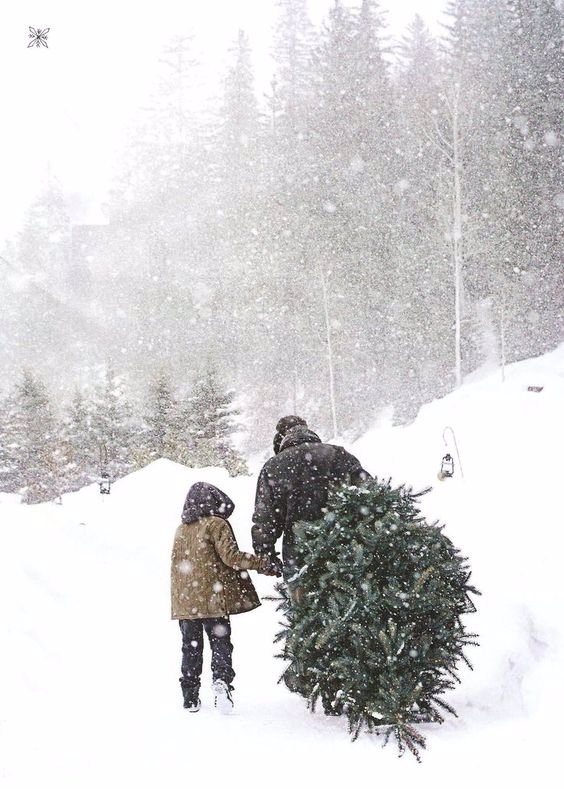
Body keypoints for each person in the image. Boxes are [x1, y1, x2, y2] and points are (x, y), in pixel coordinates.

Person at [171, 481, 274, 712]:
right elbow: (232, 557)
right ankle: (221, 681)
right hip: (212, 599)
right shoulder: (216, 524)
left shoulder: (181, 529)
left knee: (190, 647)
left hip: (186, 601)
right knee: (220, 643)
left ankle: (189, 696)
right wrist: (262, 563)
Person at [251, 415, 371, 582]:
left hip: (298, 555)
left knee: (302, 596)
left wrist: (266, 555)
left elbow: (265, 518)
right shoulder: (338, 454)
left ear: (280, 440)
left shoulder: (272, 467)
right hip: (344, 548)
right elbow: (369, 493)